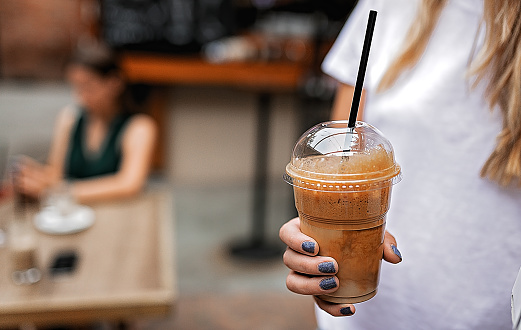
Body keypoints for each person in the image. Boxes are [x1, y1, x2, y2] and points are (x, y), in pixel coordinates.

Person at [279, 0, 521, 328]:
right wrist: (318, 233)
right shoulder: (386, 6)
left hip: (490, 312)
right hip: (361, 309)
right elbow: (338, 164)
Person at [13, 43, 157, 204]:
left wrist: (59, 191)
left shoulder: (139, 127)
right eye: (76, 87)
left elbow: (129, 185)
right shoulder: (70, 118)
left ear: (114, 83)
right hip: (71, 213)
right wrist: (34, 176)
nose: (80, 96)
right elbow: (56, 173)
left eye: (89, 86)